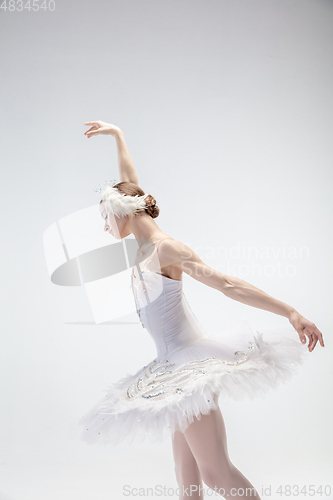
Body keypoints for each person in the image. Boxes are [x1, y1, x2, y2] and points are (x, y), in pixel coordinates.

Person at [79, 120, 324, 500]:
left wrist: (290, 311)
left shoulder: (167, 249)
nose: (105, 227)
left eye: (104, 218)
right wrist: (119, 135)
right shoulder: (139, 245)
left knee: (215, 474)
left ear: (122, 212)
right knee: (188, 485)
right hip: (169, 372)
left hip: (189, 371)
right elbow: (130, 186)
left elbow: (228, 285)